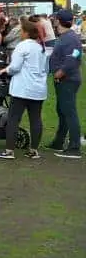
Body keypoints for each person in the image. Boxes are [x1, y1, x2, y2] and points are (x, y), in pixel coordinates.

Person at [0, 19, 47, 160]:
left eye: (21, 31)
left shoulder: (22, 47)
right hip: (38, 89)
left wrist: (5, 70)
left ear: (25, 33)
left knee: (14, 119)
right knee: (35, 119)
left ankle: (9, 151)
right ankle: (33, 150)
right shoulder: (40, 48)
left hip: (23, 89)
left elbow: (15, 67)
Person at [47, 9, 83, 159]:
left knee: (69, 112)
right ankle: (59, 141)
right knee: (62, 111)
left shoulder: (70, 38)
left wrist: (60, 72)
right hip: (64, 79)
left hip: (67, 80)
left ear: (58, 21)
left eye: (55, 18)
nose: (53, 20)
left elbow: (74, 57)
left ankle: (74, 146)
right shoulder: (65, 37)